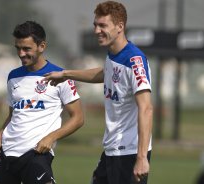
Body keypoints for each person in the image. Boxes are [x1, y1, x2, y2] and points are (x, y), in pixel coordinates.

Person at [43, 1, 153, 184]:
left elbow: (146, 108)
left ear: (120, 27)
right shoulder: (114, 55)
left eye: (103, 25)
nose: (96, 31)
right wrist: (66, 74)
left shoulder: (134, 61)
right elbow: (104, 73)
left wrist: (141, 158)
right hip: (112, 149)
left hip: (129, 152)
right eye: (95, 25)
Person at [0, 21, 84, 184]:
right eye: (18, 48)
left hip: (36, 153)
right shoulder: (13, 76)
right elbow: (14, 114)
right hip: (8, 151)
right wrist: (0, 133)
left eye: (27, 49)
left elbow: (78, 118)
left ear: (42, 46)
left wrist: (51, 137)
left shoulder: (60, 77)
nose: (21, 53)